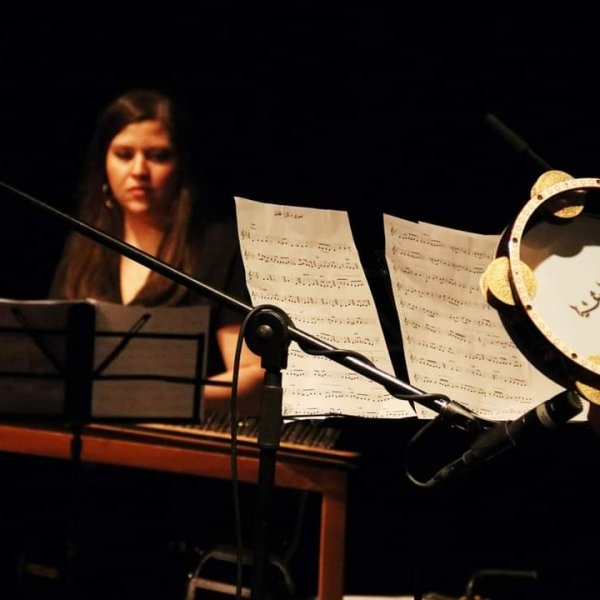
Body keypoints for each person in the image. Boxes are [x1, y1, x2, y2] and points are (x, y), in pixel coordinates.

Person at [50, 88, 265, 417]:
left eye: (158, 156)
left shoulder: (218, 246)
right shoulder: (86, 242)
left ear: (182, 165)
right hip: (86, 438)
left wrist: (163, 399)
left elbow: (252, 378)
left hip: (181, 437)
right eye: (124, 154)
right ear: (103, 162)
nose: (138, 170)